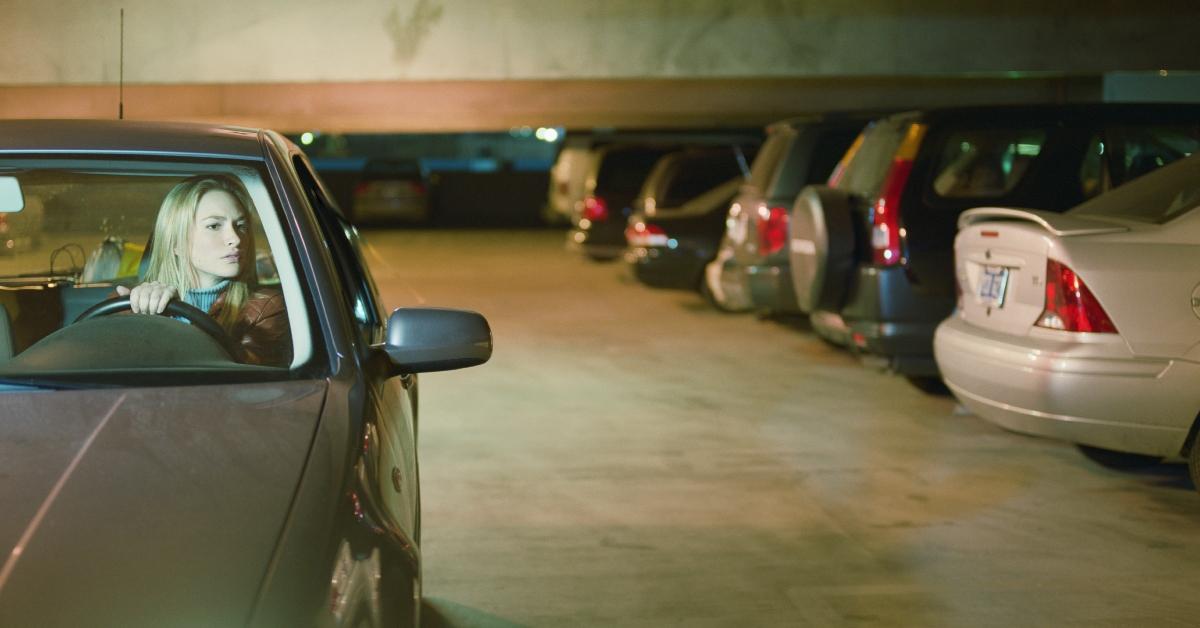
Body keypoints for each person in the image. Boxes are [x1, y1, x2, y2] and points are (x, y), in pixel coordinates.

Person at [117, 174, 292, 366]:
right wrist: (141, 312)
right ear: (176, 242)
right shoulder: (130, 301)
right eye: (214, 226)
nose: (236, 238)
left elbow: (247, 380)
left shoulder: (266, 308)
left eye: (241, 226)